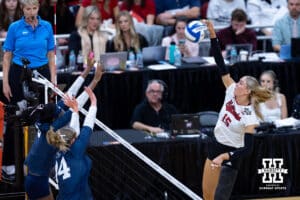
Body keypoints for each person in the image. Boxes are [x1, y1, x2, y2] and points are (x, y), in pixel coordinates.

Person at [202, 20, 272, 200]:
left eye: (240, 83)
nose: (236, 83)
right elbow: (220, 62)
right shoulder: (231, 90)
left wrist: (224, 157)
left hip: (231, 155)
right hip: (215, 145)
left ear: (247, 90)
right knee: (207, 195)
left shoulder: (250, 117)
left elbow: (247, 149)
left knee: (219, 198)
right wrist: (212, 34)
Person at [24, 60, 103, 200]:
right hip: (38, 180)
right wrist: (95, 81)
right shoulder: (53, 128)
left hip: (30, 172)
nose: (59, 108)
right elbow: (76, 105)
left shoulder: (43, 122)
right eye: (58, 110)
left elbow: (69, 95)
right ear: (54, 117)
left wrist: (87, 70)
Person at [1, 0, 56, 180]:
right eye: (28, 9)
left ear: (38, 8)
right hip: (18, 75)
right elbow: (7, 56)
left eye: (34, 8)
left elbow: (51, 55)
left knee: (44, 118)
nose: (31, 12)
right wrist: (5, 82)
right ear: (22, 9)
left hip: (42, 74)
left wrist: (53, 80)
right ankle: (9, 165)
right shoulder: (14, 28)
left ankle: (46, 163)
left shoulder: (47, 26)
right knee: (16, 117)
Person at [47, 86, 98, 200]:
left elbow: (74, 130)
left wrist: (75, 111)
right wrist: (93, 101)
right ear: (73, 140)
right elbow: (88, 124)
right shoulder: (77, 149)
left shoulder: (60, 148)